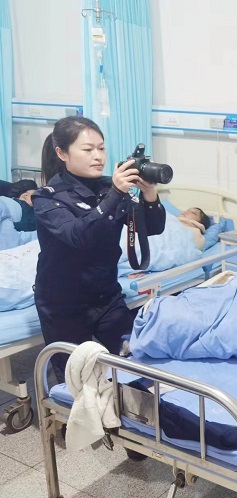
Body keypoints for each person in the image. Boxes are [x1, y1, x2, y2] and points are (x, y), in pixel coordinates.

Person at [33, 116, 166, 383]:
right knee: (75, 380)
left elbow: (152, 228)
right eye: (88, 149)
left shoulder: (109, 187)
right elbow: (79, 236)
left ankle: (133, 408)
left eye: (101, 148)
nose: (98, 156)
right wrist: (116, 193)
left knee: (137, 361)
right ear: (62, 153)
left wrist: (149, 194)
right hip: (63, 304)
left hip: (106, 296)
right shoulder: (47, 197)